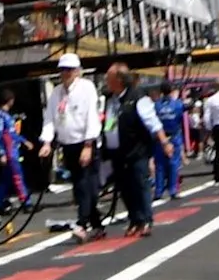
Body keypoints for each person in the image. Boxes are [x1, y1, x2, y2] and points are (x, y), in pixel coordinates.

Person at [97, 62, 170, 237]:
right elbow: (109, 123)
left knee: (140, 184)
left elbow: (152, 121)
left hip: (136, 150)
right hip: (117, 151)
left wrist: (164, 142)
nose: (106, 81)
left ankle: (146, 220)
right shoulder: (110, 99)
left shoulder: (138, 97)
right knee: (124, 187)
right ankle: (134, 219)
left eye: (109, 78)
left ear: (119, 79)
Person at [48, 53, 106, 237]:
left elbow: (91, 116)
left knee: (86, 185)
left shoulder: (86, 88)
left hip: (85, 143)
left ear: (78, 71)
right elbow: (49, 118)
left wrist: (88, 145)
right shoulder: (57, 92)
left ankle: (82, 224)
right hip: (68, 144)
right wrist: (46, 141)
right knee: (82, 186)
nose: (66, 74)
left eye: (70, 70)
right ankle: (96, 224)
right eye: (63, 70)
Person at [150, 79, 188, 202]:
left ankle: (158, 191)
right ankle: (173, 190)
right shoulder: (177, 104)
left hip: (160, 138)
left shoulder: (156, 105)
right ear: (171, 90)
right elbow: (186, 108)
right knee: (173, 164)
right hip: (174, 136)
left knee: (160, 165)